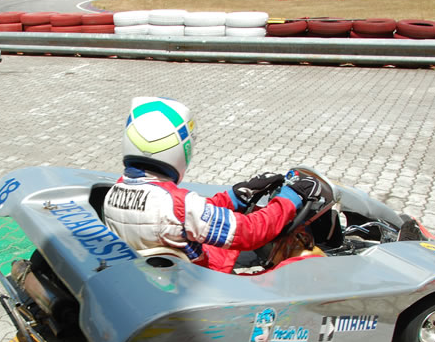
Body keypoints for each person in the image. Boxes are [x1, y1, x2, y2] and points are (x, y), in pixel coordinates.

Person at [103, 97, 321, 273]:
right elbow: (249, 232)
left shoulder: (116, 190)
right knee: (306, 262)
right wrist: (290, 197)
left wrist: (236, 196)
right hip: (200, 281)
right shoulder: (178, 206)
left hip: (152, 274)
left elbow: (183, 216)